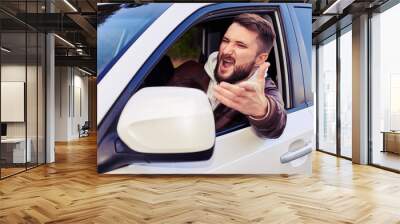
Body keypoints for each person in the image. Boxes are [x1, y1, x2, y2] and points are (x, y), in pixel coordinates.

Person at [168, 13, 286, 138]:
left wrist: (263, 111)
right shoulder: (190, 70)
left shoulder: (260, 92)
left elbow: (277, 125)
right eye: (226, 41)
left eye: (240, 45)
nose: (226, 50)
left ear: (259, 59)